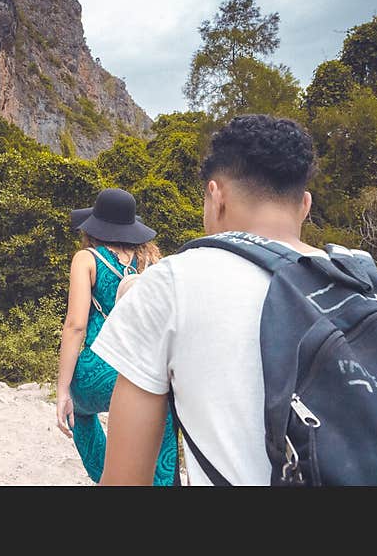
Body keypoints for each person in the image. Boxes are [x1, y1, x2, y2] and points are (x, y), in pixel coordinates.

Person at [92, 114, 329, 485]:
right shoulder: (360, 276)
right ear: (305, 205)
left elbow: (125, 480)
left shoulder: (171, 282)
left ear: (216, 197)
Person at [56, 187, 177, 485]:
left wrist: (62, 390)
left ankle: (108, 477)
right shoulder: (151, 261)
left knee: (79, 412)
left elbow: (76, 326)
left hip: (99, 370)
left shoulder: (86, 259)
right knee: (163, 430)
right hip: (144, 368)